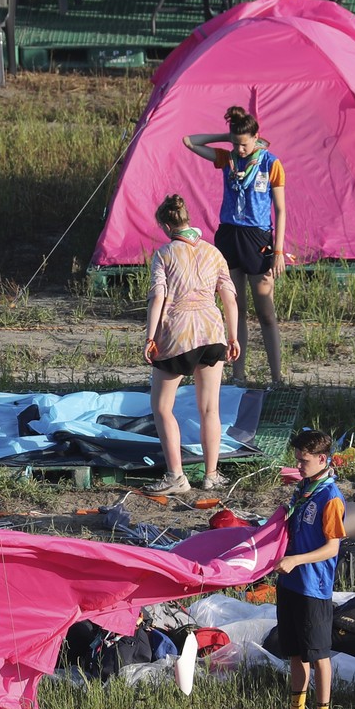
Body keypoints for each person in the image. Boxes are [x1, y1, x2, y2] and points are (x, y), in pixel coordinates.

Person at [142, 195, 241, 495]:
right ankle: (211, 475)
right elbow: (229, 296)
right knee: (210, 408)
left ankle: (176, 476)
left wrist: (150, 336)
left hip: (178, 334)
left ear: (167, 225)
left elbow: (158, 296)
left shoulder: (165, 253)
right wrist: (233, 336)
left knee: (161, 407)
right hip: (213, 333)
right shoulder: (213, 252)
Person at [182, 106, 286, 387]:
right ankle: (238, 375)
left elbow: (280, 210)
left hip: (258, 239)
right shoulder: (227, 159)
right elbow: (189, 141)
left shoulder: (270, 164)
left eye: (244, 143)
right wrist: (226, 137)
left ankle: (277, 378)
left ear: (257, 138)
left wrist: (278, 251)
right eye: (236, 143)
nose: (240, 149)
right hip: (229, 236)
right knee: (235, 308)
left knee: (265, 311)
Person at [270, 429, 346, 709]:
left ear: (322, 459)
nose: (298, 466)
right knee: (295, 653)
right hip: (289, 583)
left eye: (303, 461)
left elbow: (332, 548)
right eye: (297, 460)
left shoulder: (330, 498)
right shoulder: (303, 489)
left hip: (312, 587)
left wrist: (297, 560)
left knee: (318, 656)